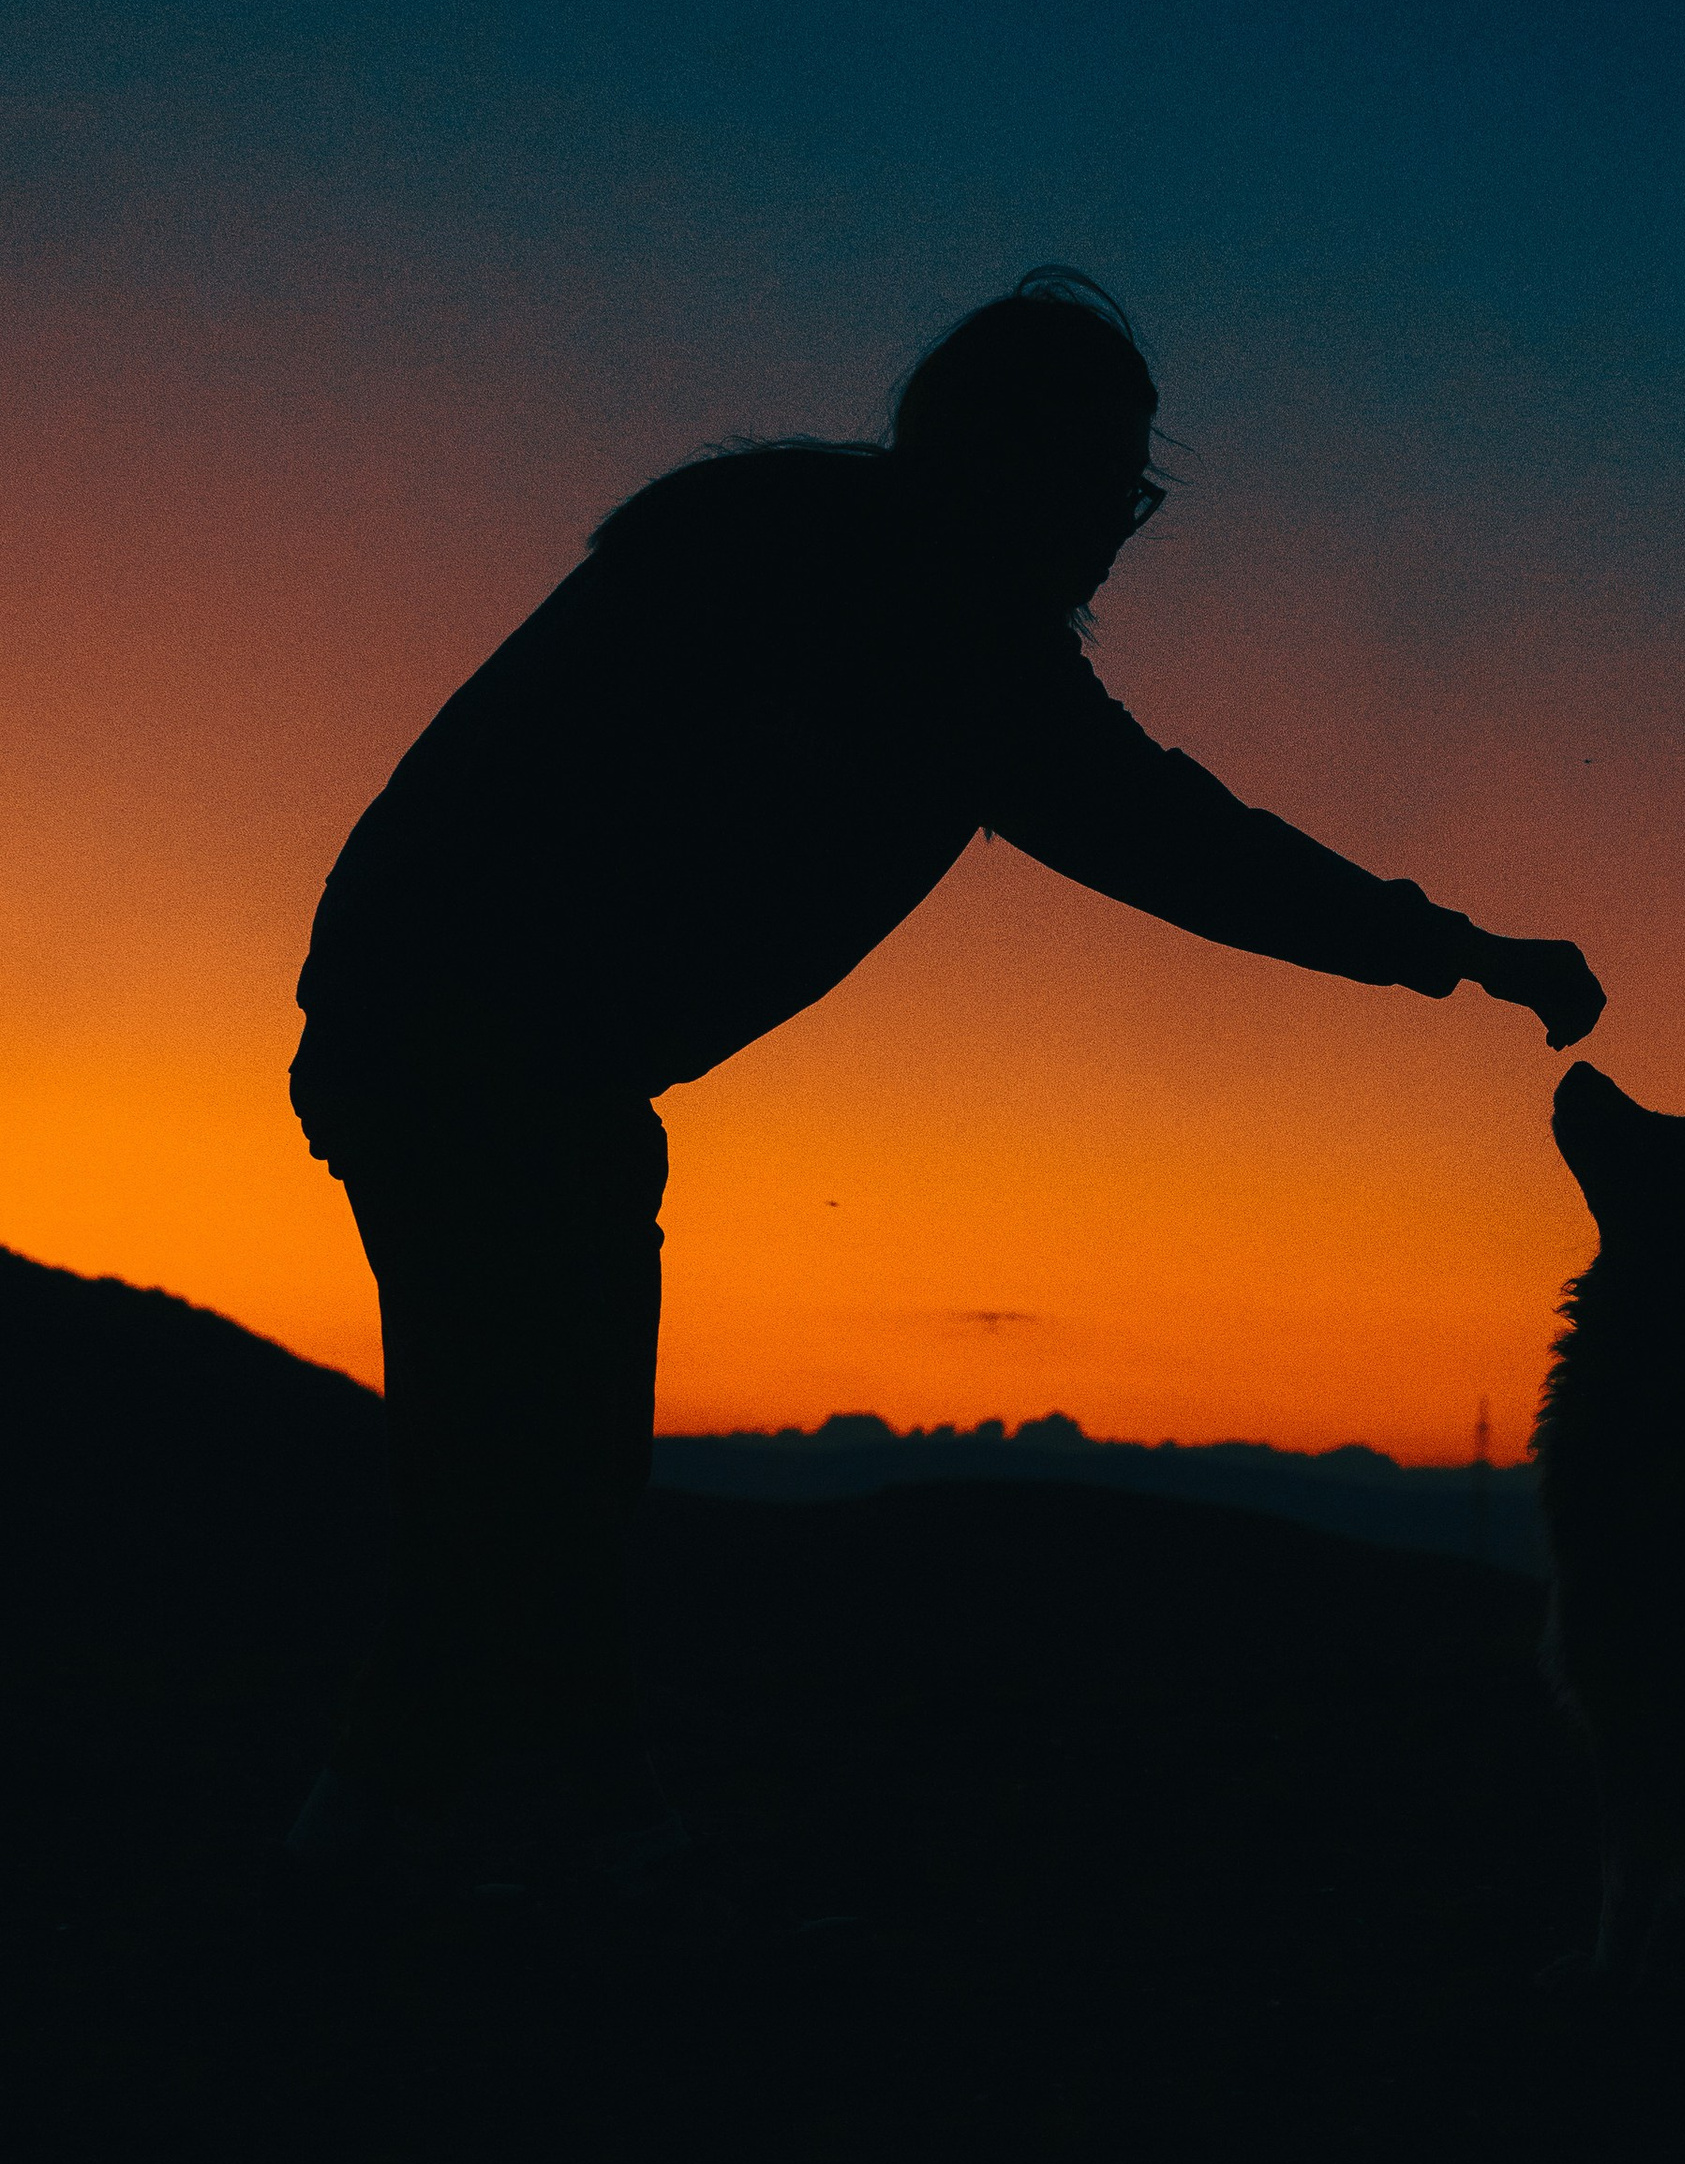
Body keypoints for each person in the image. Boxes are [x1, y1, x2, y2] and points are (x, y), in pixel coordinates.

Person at [284, 273, 1604, 1907]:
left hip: (463, 1044)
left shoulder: (802, 555)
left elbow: (1172, 832)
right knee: (526, 1465)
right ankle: (442, 1844)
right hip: (482, 1052)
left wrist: (1447, 947)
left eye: (1136, 490)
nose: (1116, 530)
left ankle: (506, 1819)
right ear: (1005, 459)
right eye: (1102, 484)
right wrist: (1456, 949)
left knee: (528, 1465)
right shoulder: (922, 625)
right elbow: (1184, 841)